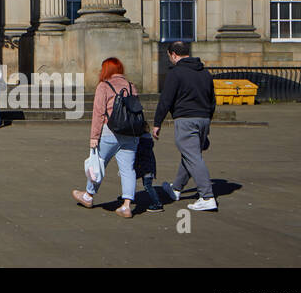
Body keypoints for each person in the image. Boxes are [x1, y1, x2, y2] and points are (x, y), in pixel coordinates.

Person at [153, 40, 218, 211]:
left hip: (185, 119)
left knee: (193, 157)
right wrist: (207, 119)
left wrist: (157, 123)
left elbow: (166, 99)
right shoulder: (205, 72)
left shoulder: (176, 73)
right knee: (190, 154)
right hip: (203, 118)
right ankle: (176, 189)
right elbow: (212, 100)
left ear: (174, 55)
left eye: (170, 57)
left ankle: (207, 196)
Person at [72, 57, 140, 218]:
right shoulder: (131, 86)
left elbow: (98, 113)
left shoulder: (104, 86)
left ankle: (88, 196)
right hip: (130, 133)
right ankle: (127, 205)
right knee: (128, 169)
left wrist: (94, 136)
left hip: (110, 131)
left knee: (97, 165)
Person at [135, 130, 164, 212]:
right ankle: (127, 196)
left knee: (148, 186)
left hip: (146, 168)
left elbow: (139, 156)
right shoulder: (148, 141)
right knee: (146, 185)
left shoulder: (141, 143)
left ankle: (157, 203)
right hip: (148, 167)